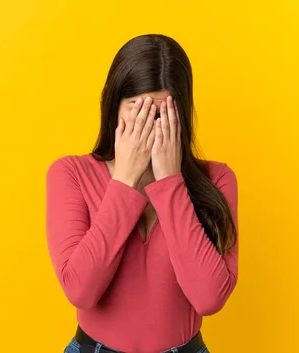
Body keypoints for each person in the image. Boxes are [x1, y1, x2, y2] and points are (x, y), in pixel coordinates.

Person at [45, 34, 239, 353]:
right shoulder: (70, 174)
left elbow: (210, 297)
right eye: (139, 111)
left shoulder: (218, 179)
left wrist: (170, 182)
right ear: (113, 107)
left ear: (183, 116)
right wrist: (125, 180)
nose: (151, 127)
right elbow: (80, 291)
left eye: (163, 115)